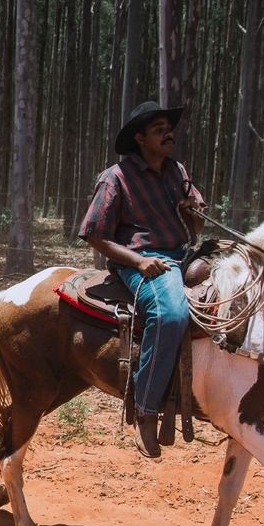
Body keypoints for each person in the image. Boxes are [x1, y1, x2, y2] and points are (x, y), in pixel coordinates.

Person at [78, 100, 206, 458]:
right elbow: (93, 234)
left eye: (169, 129)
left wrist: (193, 213)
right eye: (159, 130)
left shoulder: (177, 171)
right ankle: (147, 409)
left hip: (182, 253)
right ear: (140, 138)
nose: (169, 135)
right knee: (170, 315)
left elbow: (197, 226)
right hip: (144, 260)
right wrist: (139, 261)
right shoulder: (115, 178)